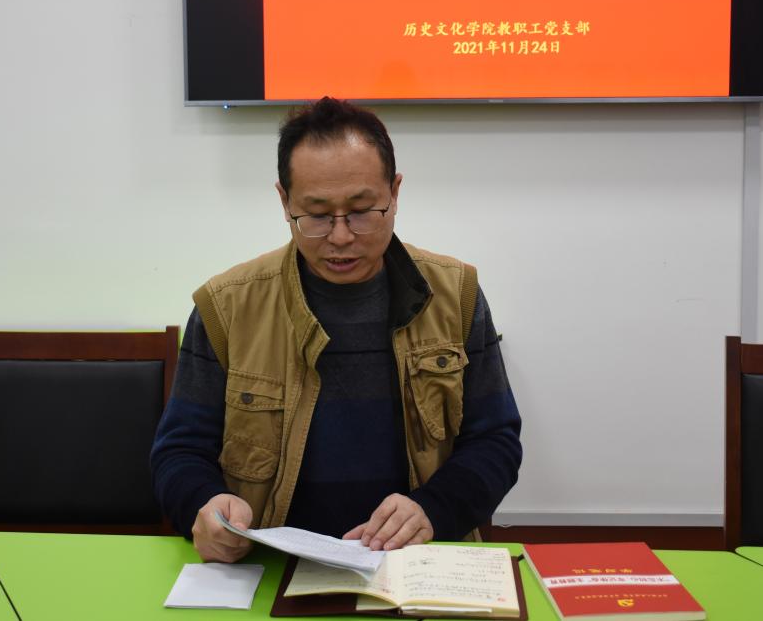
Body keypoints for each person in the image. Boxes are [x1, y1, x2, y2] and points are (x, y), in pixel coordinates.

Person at [151, 97, 522, 563]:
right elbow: (179, 451)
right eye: (318, 215)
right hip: (269, 567)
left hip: (417, 563)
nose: (341, 236)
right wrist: (205, 504)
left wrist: (434, 509)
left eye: (363, 210)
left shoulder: (455, 294)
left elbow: (496, 440)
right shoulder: (227, 307)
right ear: (284, 201)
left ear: (394, 193)